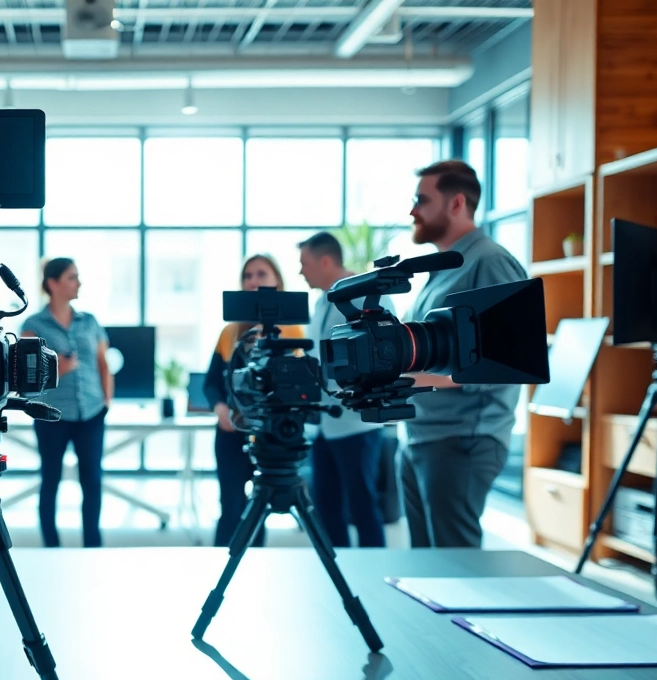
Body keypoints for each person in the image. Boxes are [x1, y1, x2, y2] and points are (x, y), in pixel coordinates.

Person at [401, 160, 529, 548]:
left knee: (457, 568)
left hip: (461, 441)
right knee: (425, 569)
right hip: (422, 437)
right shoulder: (442, 267)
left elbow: (507, 361)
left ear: (456, 204)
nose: (412, 211)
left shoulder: (490, 262)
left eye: (421, 200)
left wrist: (415, 380)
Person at [203, 254, 305, 548]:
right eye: (248, 275)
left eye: (261, 274)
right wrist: (220, 407)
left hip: (270, 434)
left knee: (260, 508)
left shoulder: (293, 332)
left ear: (277, 281)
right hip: (231, 433)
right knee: (230, 507)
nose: (253, 280)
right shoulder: (230, 332)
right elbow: (211, 382)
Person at [298, 232, 390, 548]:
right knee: (325, 505)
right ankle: (339, 570)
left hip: (357, 424)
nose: (300, 272)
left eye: (304, 264)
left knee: (362, 506)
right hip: (325, 424)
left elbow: (383, 352)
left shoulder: (369, 294)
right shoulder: (322, 301)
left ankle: (373, 574)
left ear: (325, 261)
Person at [20, 258, 113, 548]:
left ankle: (93, 546)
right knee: (50, 480)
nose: (79, 282)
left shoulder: (90, 321)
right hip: (52, 416)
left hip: (91, 412)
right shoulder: (33, 324)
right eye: (72, 277)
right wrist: (57, 367)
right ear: (53, 283)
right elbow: (24, 373)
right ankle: (51, 546)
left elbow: (102, 363)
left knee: (92, 481)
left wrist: (107, 402)